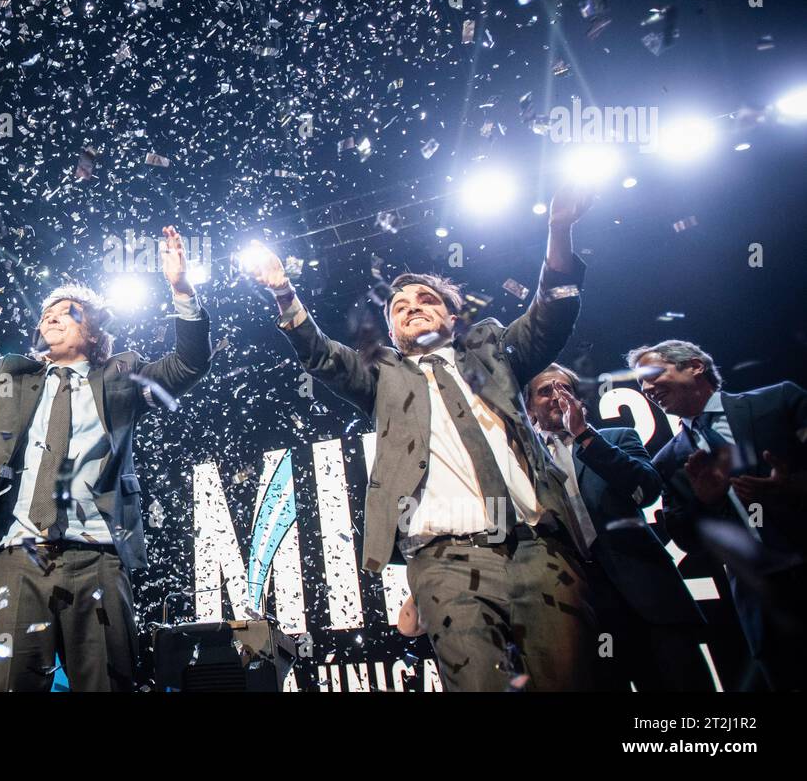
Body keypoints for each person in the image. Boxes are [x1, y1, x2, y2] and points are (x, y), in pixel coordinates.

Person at [249, 187, 597, 691]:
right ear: (391, 331)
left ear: (453, 318)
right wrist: (284, 291)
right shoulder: (381, 374)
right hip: (445, 558)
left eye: (426, 300)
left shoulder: (493, 350)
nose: (411, 307)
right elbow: (322, 354)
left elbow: (552, 311)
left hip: (537, 545)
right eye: (398, 306)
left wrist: (559, 229)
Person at [0, 226, 211, 691]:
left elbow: (189, 363)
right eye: (47, 313)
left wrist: (182, 290)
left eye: (68, 311)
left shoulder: (121, 379)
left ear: (93, 331)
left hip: (98, 558)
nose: (53, 317)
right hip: (16, 561)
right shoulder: (10, 380)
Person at [628, 339, 807, 690]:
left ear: (695, 366)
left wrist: (792, 487)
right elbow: (687, 541)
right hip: (758, 600)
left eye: (652, 375)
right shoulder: (667, 461)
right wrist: (707, 503)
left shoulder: (778, 401)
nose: (646, 389)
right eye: (640, 385)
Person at [525, 363, 712, 690]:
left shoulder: (616, 438)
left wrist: (585, 436)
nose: (557, 397)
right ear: (528, 408)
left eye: (563, 389)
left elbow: (646, 490)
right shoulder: (521, 463)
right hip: (583, 606)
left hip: (649, 593)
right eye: (545, 391)